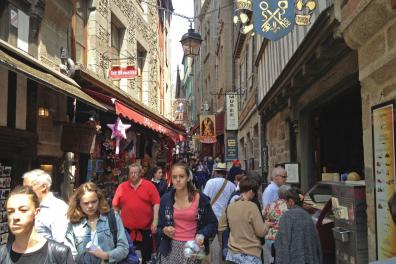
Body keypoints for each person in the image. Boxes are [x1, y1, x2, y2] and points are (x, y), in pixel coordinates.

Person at [157, 162, 218, 263]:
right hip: (170, 248)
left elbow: (213, 223)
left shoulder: (200, 199)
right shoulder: (165, 199)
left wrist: (202, 234)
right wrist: (164, 230)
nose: (178, 180)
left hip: (194, 248)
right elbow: (159, 227)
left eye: (181, 176)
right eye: (174, 177)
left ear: (188, 178)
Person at [0, 185, 74, 263]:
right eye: (10, 212)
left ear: (36, 212)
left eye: (23, 210)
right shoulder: (2, 255)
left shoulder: (60, 254)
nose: (15, 217)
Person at [64, 182, 128, 263]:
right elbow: (70, 255)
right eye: (86, 203)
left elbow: (124, 247)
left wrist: (106, 255)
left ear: (99, 200)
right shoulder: (74, 225)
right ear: (79, 204)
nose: (90, 206)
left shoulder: (112, 217)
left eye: (94, 202)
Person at [112, 163, 160, 264]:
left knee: (146, 258)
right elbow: (115, 207)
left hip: (146, 231)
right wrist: (116, 225)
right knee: (127, 258)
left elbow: (156, 203)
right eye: (131, 173)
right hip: (126, 232)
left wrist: (155, 221)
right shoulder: (122, 187)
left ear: (140, 173)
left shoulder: (149, 185)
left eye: (136, 172)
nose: (133, 175)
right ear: (128, 174)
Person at [218, 177, 269, 264]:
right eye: (255, 192)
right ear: (251, 191)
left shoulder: (231, 206)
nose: (255, 195)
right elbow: (260, 232)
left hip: (232, 253)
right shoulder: (252, 206)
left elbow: (222, 226)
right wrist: (267, 224)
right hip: (250, 253)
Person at [274, 187, 322, 264]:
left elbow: (283, 243)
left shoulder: (287, 216)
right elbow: (316, 243)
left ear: (291, 201)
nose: (286, 204)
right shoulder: (308, 217)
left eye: (286, 201)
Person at [22, 169, 68, 243]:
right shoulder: (30, 205)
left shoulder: (58, 208)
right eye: (23, 188)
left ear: (43, 187)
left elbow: (61, 243)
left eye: (28, 188)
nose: (25, 192)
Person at [203, 163, 235, 263]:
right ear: (225, 173)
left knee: (207, 244)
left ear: (216, 172)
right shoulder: (231, 185)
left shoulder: (210, 183)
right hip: (224, 219)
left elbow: (205, 199)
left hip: (211, 218)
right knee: (224, 245)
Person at [262, 185, 290, 264]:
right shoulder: (290, 206)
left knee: (270, 261)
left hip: (269, 237)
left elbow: (262, 216)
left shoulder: (270, 205)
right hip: (283, 238)